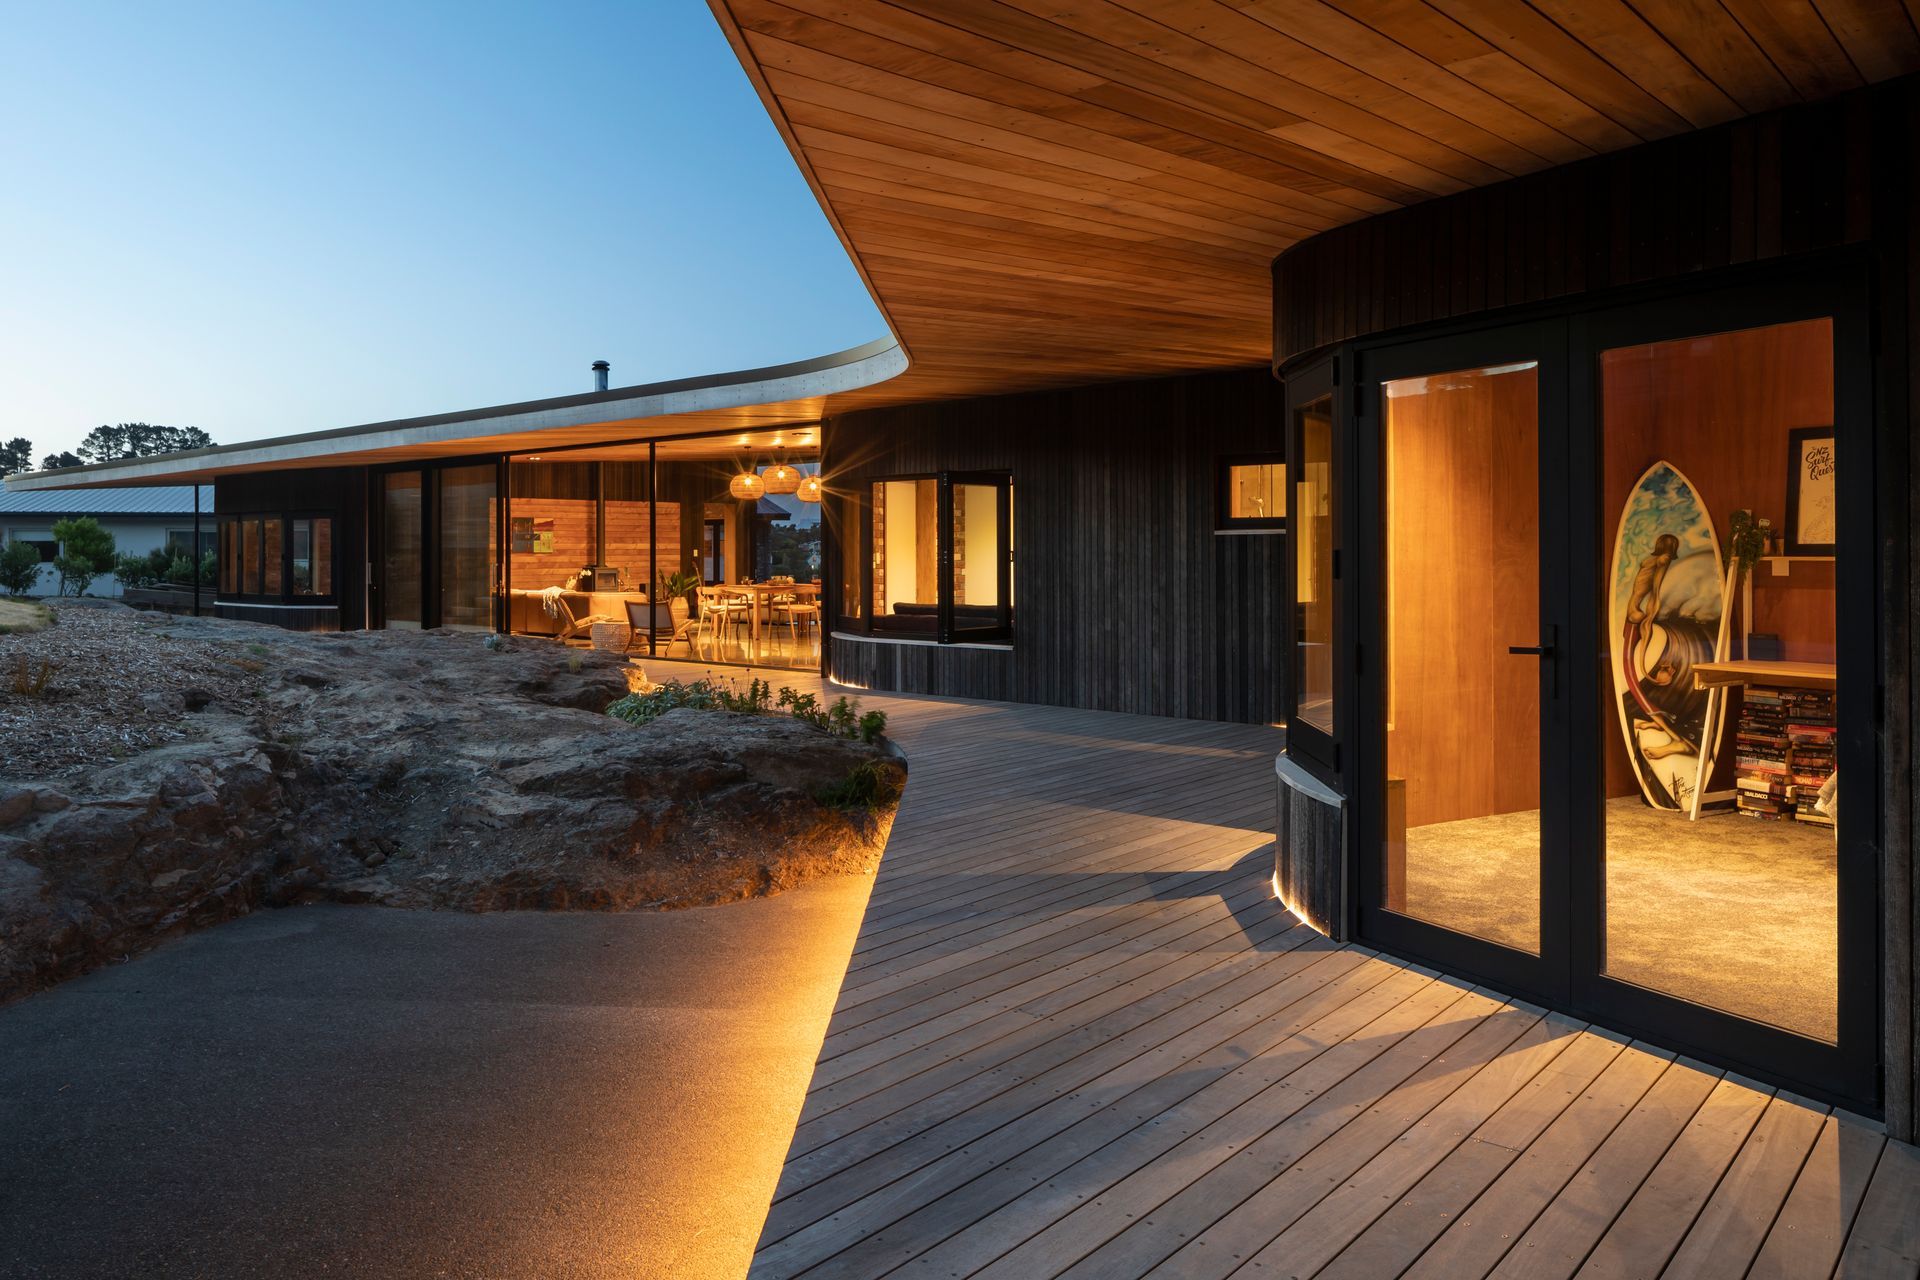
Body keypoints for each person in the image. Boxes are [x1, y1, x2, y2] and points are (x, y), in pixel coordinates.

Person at [1625, 533, 1680, 625]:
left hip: (1636, 597)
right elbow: (1657, 585)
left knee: (1636, 598)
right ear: (1672, 547)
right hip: (1636, 607)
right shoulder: (1664, 558)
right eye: (1673, 546)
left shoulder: (1652, 558)